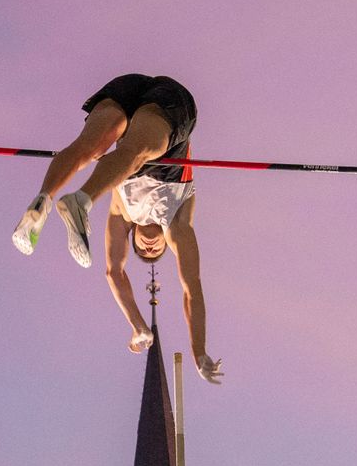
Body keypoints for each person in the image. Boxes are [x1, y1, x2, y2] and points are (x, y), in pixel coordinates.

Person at [12, 74, 223, 383]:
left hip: (128, 95)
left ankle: (44, 199)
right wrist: (199, 349)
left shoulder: (121, 216)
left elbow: (114, 272)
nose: (150, 248)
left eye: (143, 250)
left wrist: (139, 326)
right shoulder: (177, 223)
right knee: (134, 152)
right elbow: (192, 290)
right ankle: (78, 200)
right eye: (156, 250)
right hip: (169, 118)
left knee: (91, 147)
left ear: (132, 235)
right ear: (166, 242)